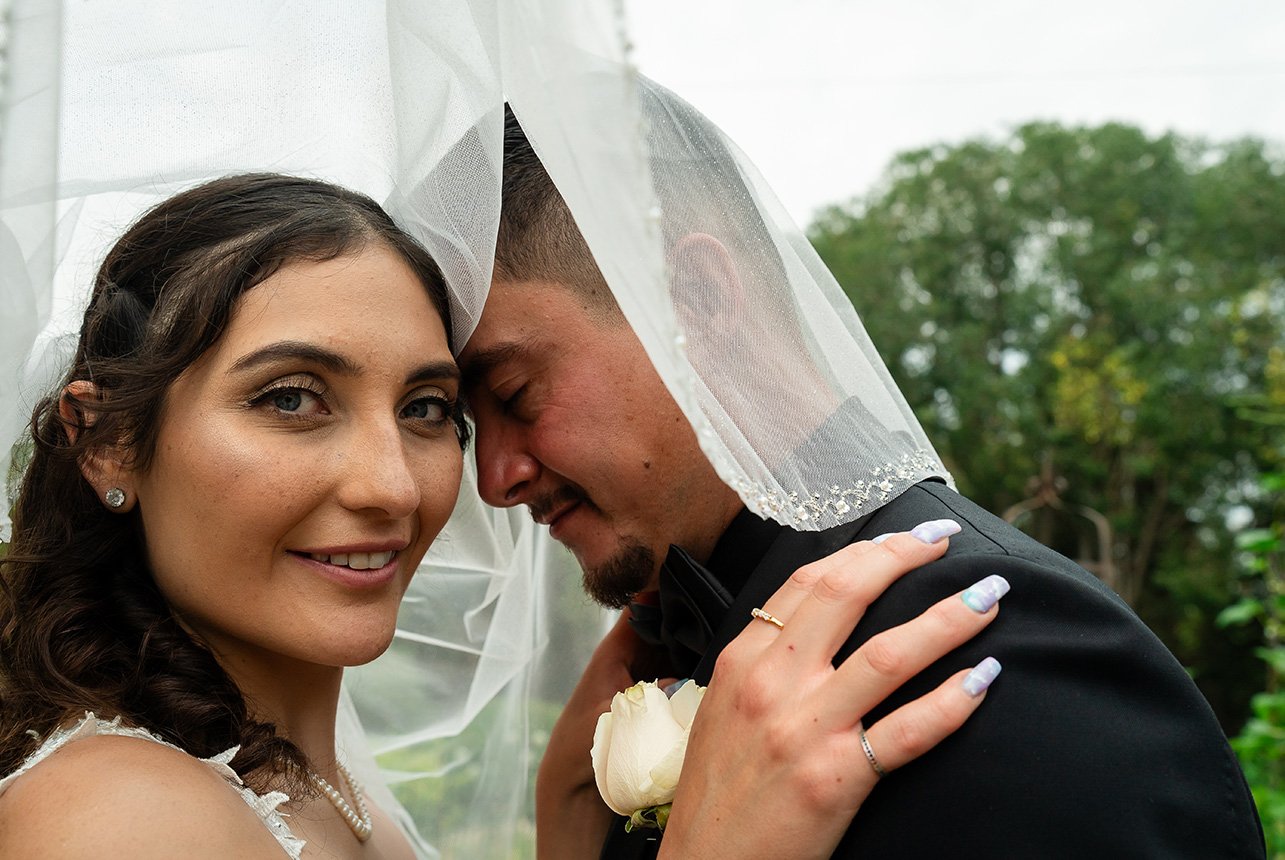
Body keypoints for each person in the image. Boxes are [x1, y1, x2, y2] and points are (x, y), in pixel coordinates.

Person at [0, 172, 1005, 859]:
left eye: (428, 409)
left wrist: (567, 831)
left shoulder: (326, 781)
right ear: (106, 442)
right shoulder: (115, 816)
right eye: (293, 396)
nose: (394, 485)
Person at [459, 92, 1267, 858]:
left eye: (512, 392)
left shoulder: (1011, 657)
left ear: (694, 299)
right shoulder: (656, 656)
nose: (494, 479)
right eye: (462, 420)